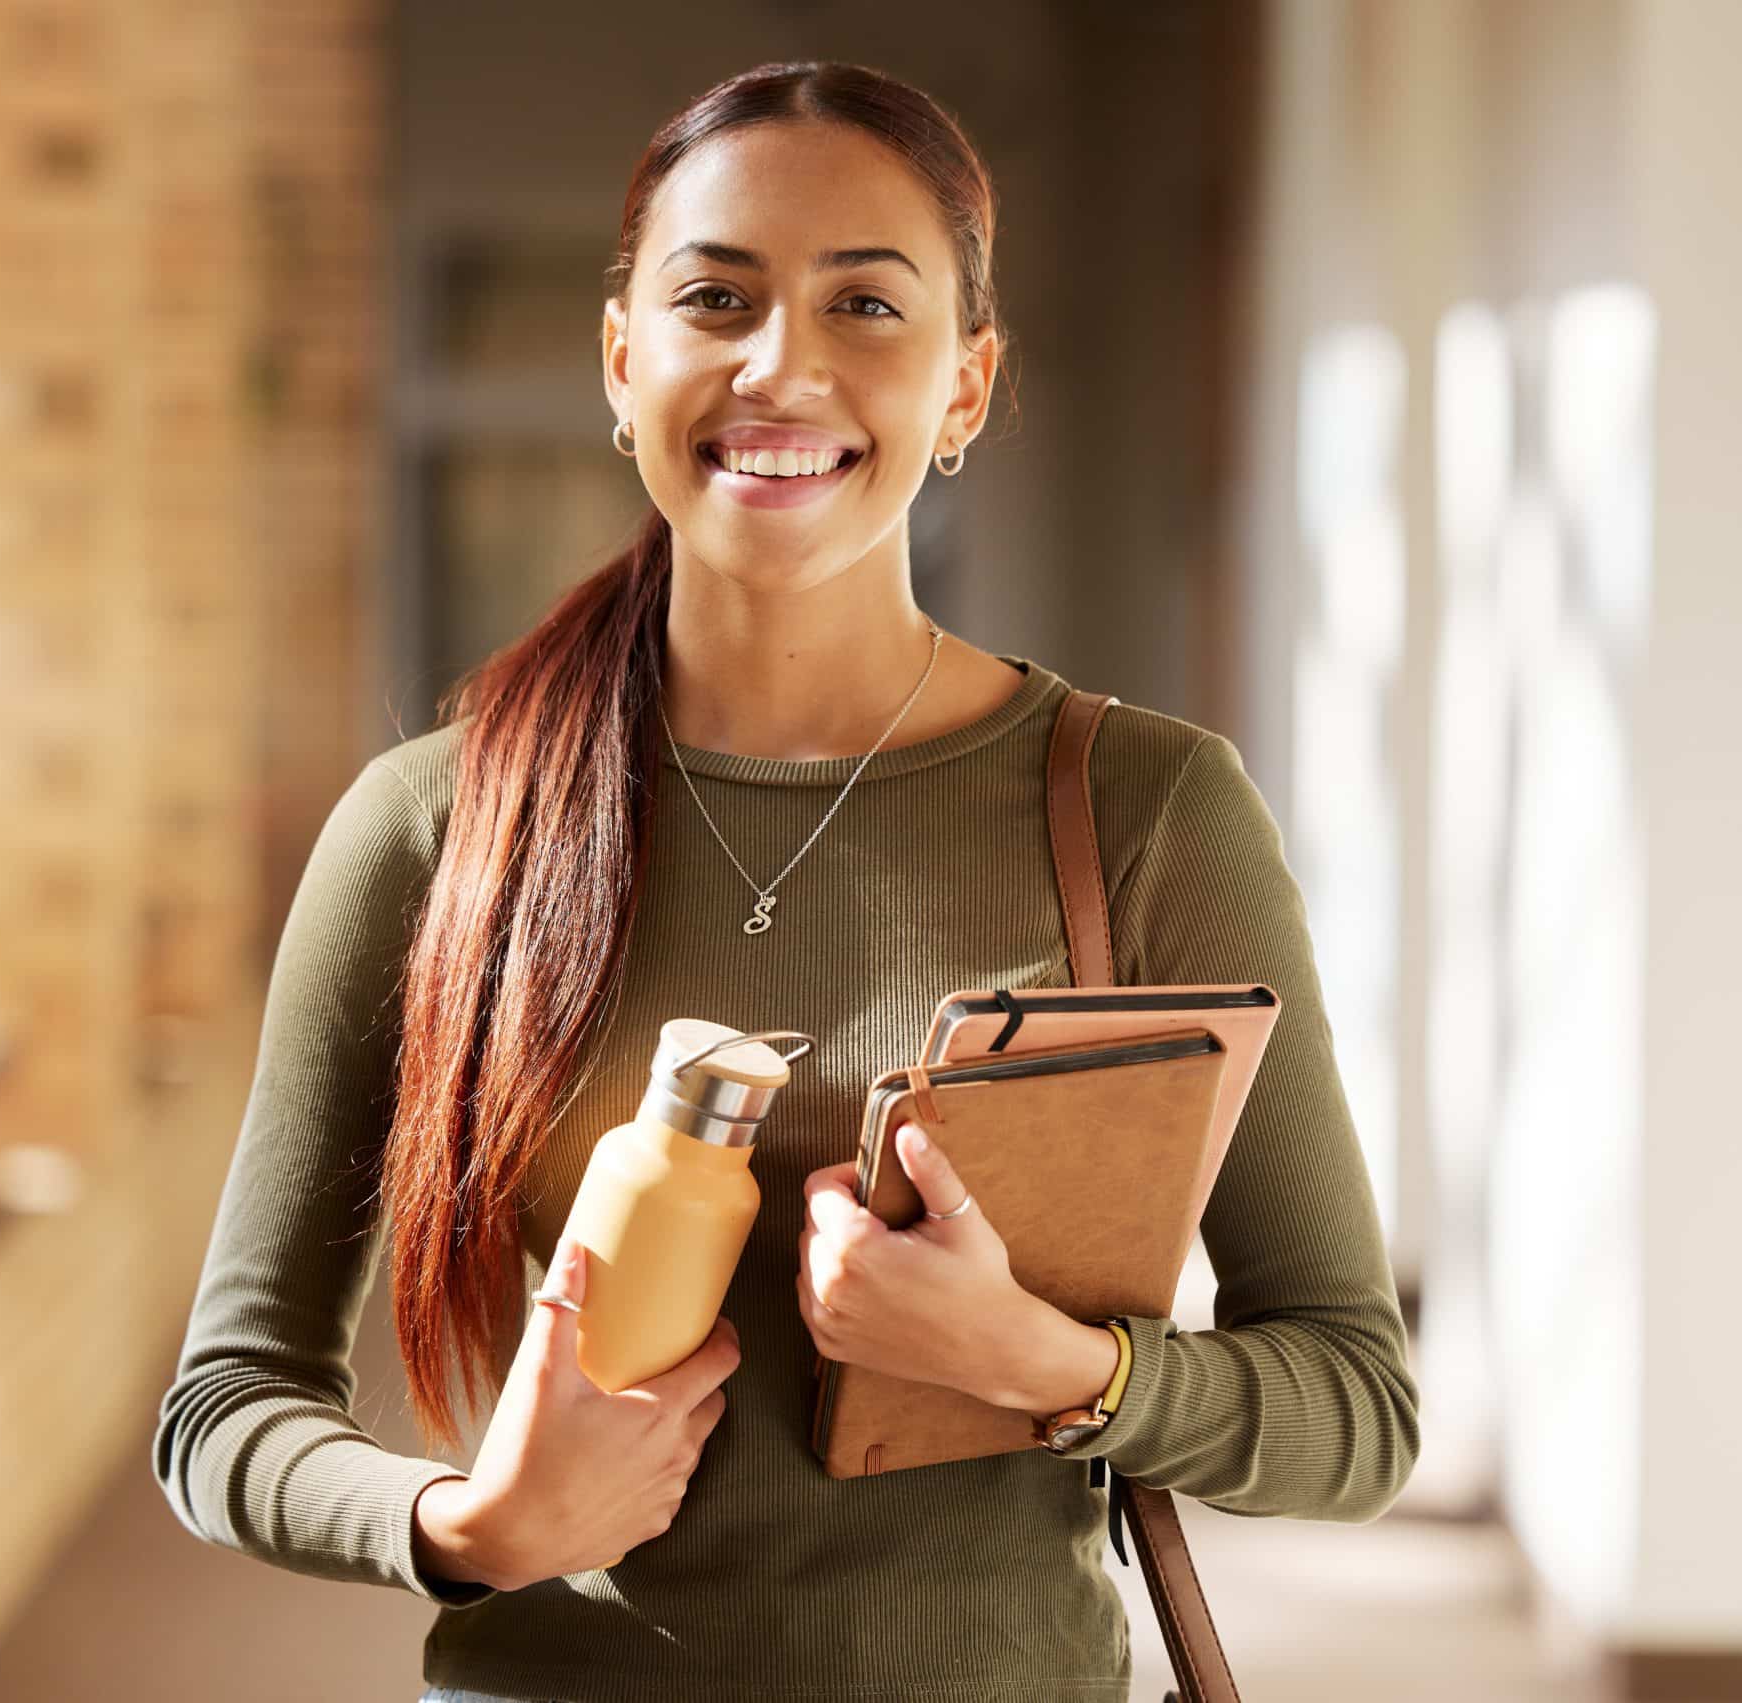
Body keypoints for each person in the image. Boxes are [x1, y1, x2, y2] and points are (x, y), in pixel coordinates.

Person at [153, 57, 1418, 1703]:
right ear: (625, 362)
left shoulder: (1145, 807)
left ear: (964, 390)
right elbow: (224, 1409)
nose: (781, 367)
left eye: (867, 307)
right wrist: (466, 1521)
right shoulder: (433, 828)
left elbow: (1358, 1413)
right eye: (716, 297)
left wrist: (1051, 1367)